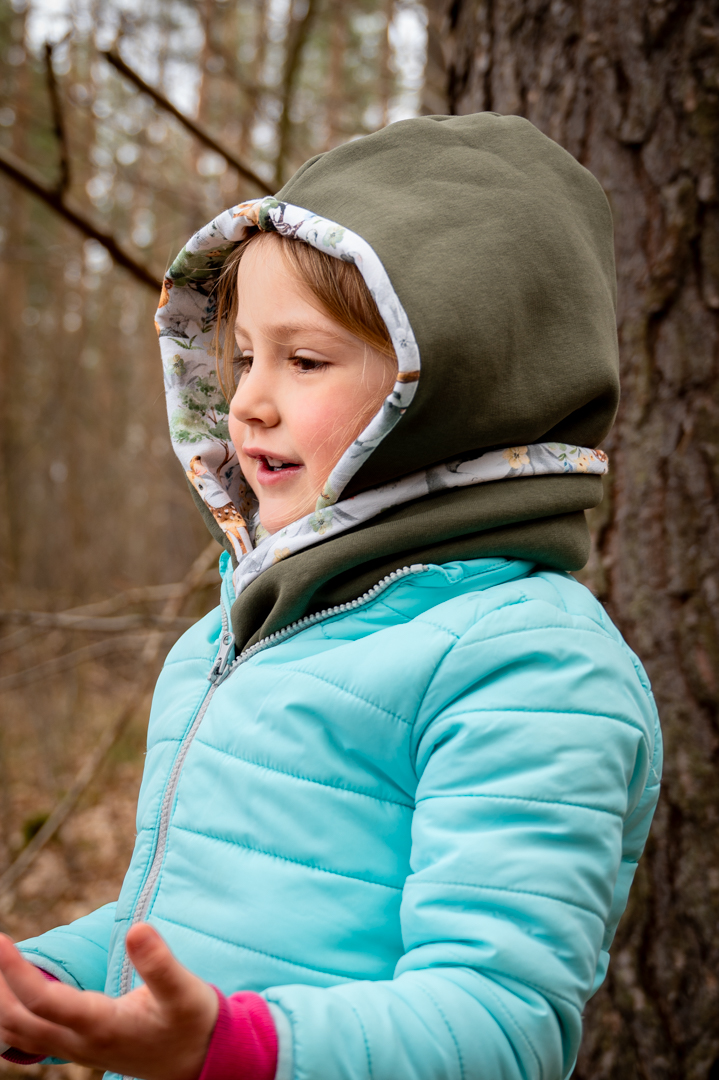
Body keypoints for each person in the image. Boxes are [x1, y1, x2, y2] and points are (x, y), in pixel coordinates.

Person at [0, 112, 661, 1080]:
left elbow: (497, 1024)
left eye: (303, 361)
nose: (247, 403)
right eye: (241, 358)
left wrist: (228, 1047)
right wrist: (43, 986)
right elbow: (202, 913)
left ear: (455, 392)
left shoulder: (529, 661)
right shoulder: (227, 641)